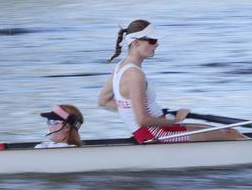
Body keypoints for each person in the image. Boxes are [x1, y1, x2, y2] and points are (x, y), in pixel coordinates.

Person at [97, 20, 243, 143]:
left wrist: (130, 109)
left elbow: (103, 101)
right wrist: (176, 120)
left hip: (152, 130)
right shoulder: (135, 74)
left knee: (227, 130)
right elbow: (142, 120)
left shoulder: (120, 67)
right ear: (135, 43)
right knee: (231, 135)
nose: (157, 44)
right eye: (152, 40)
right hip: (155, 134)